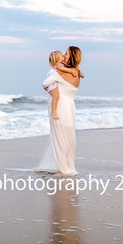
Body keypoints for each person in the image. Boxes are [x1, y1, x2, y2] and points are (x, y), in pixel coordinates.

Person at [34, 46, 83, 176]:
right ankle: (67, 165)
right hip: (70, 106)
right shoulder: (77, 73)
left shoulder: (62, 72)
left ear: (71, 57)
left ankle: (63, 169)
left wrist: (50, 91)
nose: (64, 56)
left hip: (60, 106)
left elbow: (45, 83)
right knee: (68, 137)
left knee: (60, 137)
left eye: (66, 54)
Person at [45, 50, 78, 120]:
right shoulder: (58, 65)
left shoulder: (59, 64)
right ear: (57, 59)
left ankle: (54, 110)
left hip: (52, 82)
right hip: (52, 83)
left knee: (55, 95)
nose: (63, 57)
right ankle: (54, 111)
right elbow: (62, 69)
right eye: (62, 56)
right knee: (56, 96)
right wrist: (72, 71)